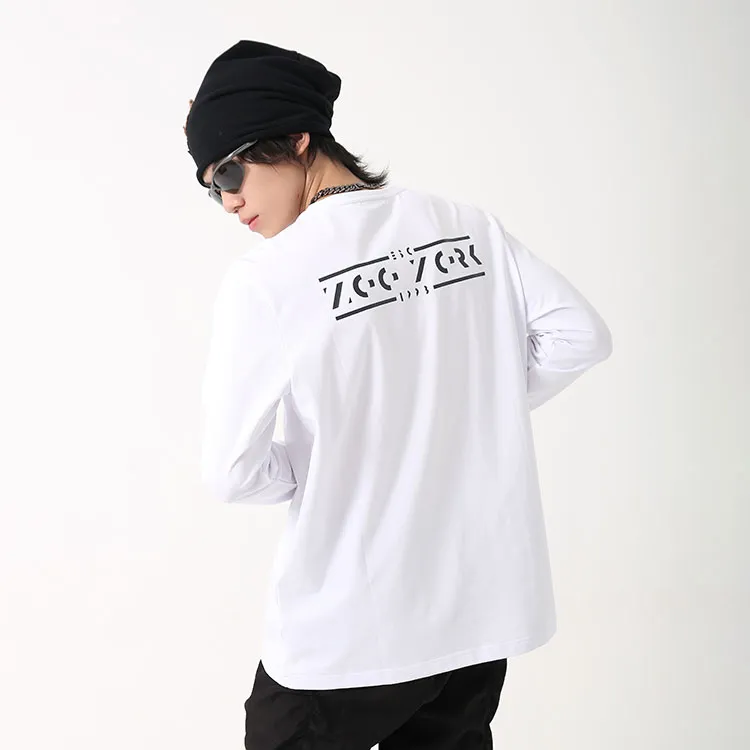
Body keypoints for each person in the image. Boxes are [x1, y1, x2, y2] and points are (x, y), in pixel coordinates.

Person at [184, 40, 613, 750]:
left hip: (350, 629)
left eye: (230, 170)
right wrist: (465, 410)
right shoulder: (465, 225)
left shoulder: (269, 278)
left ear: (297, 138)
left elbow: (232, 472)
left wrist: (335, 456)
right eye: (209, 186)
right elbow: (579, 336)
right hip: (476, 614)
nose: (228, 200)